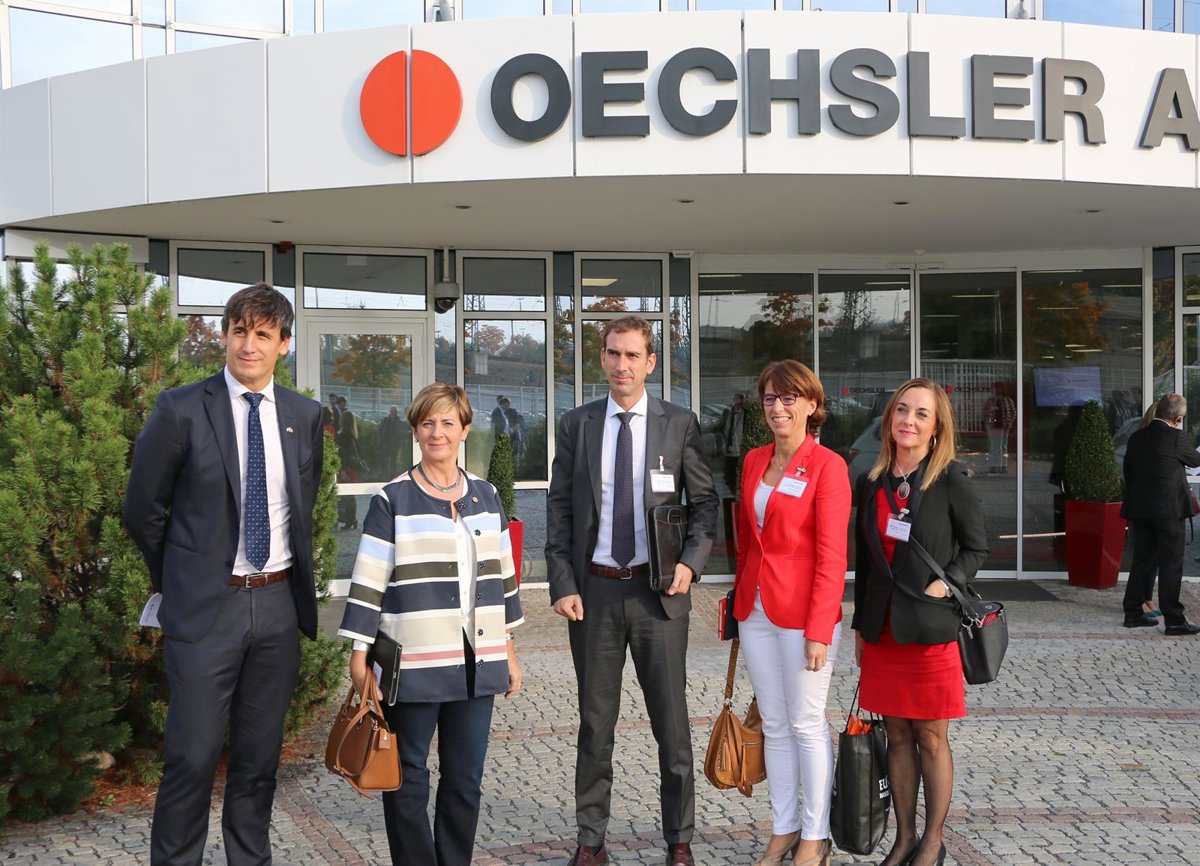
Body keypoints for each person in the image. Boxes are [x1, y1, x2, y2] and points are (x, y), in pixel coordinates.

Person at [124, 283, 324, 866]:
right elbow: (143, 510)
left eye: (263, 334)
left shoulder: (305, 416)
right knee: (191, 757)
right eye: (239, 331)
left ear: (284, 344)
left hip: (278, 607)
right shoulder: (181, 409)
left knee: (259, 761)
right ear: (224, 336)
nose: (248, 345)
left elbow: (302, 509)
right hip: (206, 611)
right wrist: (182, 580)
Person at [546, 316, 718, 866]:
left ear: (650, 363)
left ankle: (679, 841)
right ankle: (590, 840)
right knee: (595, 727)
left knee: (672, 725)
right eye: (614, 354)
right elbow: (559, 508)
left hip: (658, 596)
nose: (622, 365)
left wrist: (691, 564)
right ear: (602, 358)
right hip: (594, 597)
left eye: (633, 355)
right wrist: (562, 583)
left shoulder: (678, 424)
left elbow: (705, 504)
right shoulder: (577, 424)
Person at [337, 382, 524, 866]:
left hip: (478, 661)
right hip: (413, 663)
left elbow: (502, 577)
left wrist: (508, 651)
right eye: (427, 423)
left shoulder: (486, 495)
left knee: (465, 779)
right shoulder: (392, 499)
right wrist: (359, 656)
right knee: (408, 777)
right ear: (415, 431)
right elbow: (369, 581)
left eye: (447, 423)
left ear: (465, 430)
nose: (437, 433)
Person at [852, 377, 987, 866]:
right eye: (901, 410)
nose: (908, 420)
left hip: (930, 631)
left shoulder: (950, 478)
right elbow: (865, 564)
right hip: (884, 631)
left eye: (921, 413)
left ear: (936, 427)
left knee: (931, 738)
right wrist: (860, 628)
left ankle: (933, 841)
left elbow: (976, 548)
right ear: (889, 418)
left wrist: (946, 584)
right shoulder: (871, 481)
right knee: (897, 738)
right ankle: (904, 838)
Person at [733, 361, 850, 866]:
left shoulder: (828, 466)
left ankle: (815, 837)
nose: (777, 407)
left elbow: (833, 557)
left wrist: (820, 628)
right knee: (775, 725)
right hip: (756, 610)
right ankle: (783, 829)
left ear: (810, 404)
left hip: (805, 617)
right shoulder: (754, 460)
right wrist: (737, 603)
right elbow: (746, 541)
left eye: (788, 398)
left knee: (806, 723)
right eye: (770, 398)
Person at [1120, 393, 1200, 634]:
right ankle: (1174, 620)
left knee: (1142, 561)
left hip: (1141, 510)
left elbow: (1128, 472)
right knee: (1171, 564)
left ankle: (1133, 613)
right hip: (1169, 511)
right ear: (1178, 418)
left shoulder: (1136, 437)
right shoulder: (1176, 436)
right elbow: (1195, 461)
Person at [336, 409, 362, 529]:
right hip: (352, 468)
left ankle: (348, 519)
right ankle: (352, 519)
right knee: (350, 495)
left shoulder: (341, 436)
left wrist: (341, 469)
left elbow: (341, 453)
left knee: (344, 495)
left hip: (345, 468)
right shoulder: (354, 435)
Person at [981, 384, 1015, 474]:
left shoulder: (1007, 400)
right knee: (994, 447)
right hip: (993, 426)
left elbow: (1013, 412)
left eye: (998, 388)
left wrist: (1009, 422)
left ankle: (1003, 466)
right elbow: (984, 412)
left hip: (1005, 426)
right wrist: (988, 422)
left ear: (1002, 389)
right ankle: (994, 466)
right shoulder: (990, 400)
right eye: (995, 388)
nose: (996, 390)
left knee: (1003, 446)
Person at [721, 392, 746, 494]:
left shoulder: (745, 414)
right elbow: (726, 429)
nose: (736, 402)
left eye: (738, 399)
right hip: (731, 447)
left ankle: (737, 490)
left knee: (739, 470)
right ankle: (731, 489)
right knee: (730, 470)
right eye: (735, 400)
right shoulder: (730, 413)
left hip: (740, 446)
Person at [377, 404, 405, 479]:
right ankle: (385, 473)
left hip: (394, 444)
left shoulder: (399, 422)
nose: (393, 413)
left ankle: (392, 475)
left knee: (393, 460)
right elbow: (380, 431)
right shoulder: (385, 421)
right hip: (385, 444)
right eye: (392, 411)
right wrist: (380, 441)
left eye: (395, 412)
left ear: (397, 413)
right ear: (390, 412)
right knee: (384, 460)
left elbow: (401, 432)